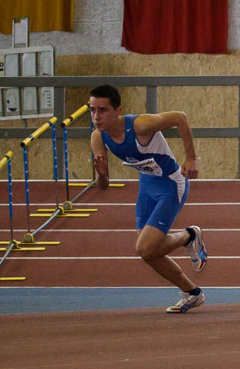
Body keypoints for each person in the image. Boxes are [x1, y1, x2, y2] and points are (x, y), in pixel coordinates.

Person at [88, 85, 208, 314]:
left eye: (102, 110)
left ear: (117, 111)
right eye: (92, 110)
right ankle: (192, 293)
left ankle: (189, 235)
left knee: (144, 246)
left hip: (171, 185)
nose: (96, 117)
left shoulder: (140, 125)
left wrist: (191, 158)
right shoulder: (97, 137)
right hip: (147, 186)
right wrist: (102, 175)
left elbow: (180, 118)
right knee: (148, 252)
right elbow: (103, 187)